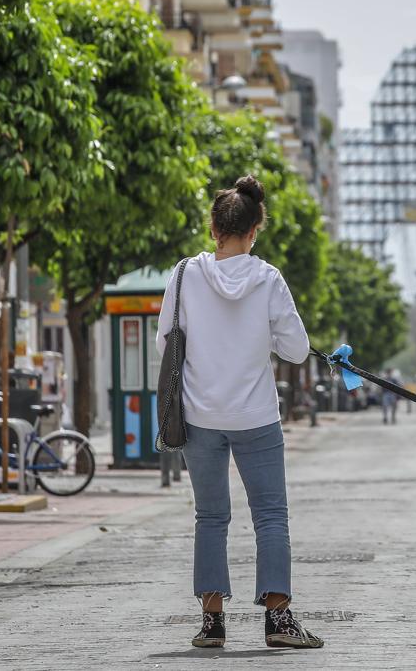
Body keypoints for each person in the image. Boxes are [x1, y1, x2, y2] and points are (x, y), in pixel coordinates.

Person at [157, 174, 323, 650]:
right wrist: (260, 335)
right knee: (270, 515)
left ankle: (212, 623)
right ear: (256, 230)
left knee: (210, 517)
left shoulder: (185, 275)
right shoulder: (269, 279)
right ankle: (278, 620)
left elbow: (164, 342)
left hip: (199, 415)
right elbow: (296, 350)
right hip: (256, 416)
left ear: (214, 228)